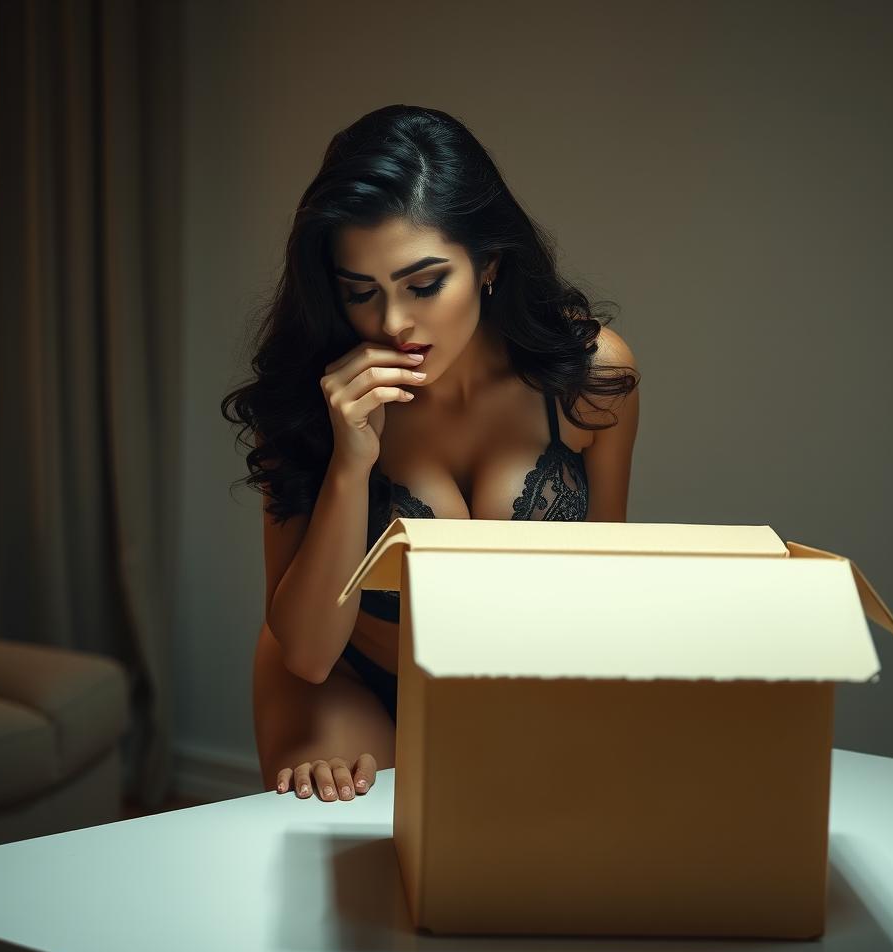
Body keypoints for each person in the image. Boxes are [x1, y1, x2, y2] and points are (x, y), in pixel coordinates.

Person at [221, 104, 640, 803]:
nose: (391, 324)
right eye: (361, 293)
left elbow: (599, 594)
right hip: (342, 679)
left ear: (490, 265)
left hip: (510, 687)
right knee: (362, 832)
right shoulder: (315, 395)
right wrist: (352, 459)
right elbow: (308, 651)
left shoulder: (587, 379)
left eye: (423, 285)